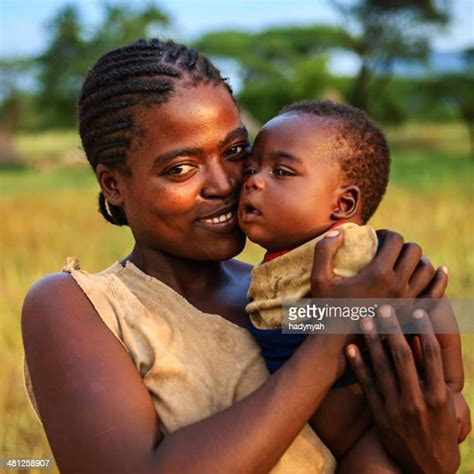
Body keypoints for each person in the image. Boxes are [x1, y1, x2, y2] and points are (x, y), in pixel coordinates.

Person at [21, 39, 461, 473]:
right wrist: (336, 330)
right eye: (180, 168)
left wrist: (432, 453)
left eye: (234, 152)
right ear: (113, 185)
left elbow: (408, 434)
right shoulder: (79, 307)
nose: (226, 183)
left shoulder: (285, 294)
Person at [238, 100, 470, 470]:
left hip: (374, 428)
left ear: (343, 204)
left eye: (281, 171)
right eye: (250, 168)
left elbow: (430, 297)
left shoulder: (350, 251)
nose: (253, 181)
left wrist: (450, 384)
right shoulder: (281, 260)